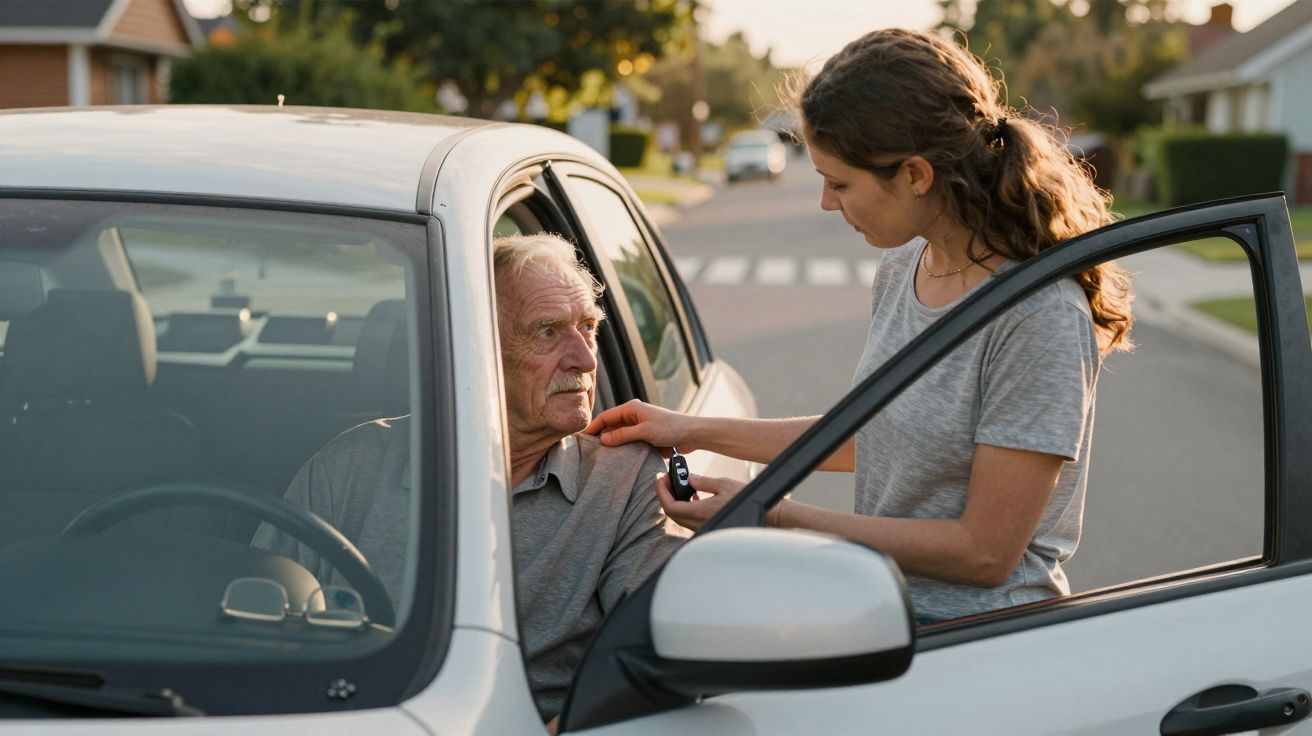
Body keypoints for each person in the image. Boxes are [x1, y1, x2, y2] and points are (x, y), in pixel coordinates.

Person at [586, 28, 1134, 625]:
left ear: (916, 175)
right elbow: (880, 438)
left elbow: (985, 554)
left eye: (840, 182)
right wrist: (691, 429)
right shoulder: (904, 267)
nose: (825, 202)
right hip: (879, 617)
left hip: (979, 646)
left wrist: (768, 511)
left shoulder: (1037, 316)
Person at [253, 233, 686, 722]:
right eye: (548, 331)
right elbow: (250, 624)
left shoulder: (626, 480)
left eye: (587, 326)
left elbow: (664, 653)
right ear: (476, 350)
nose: (585, 360)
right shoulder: (349, 466)